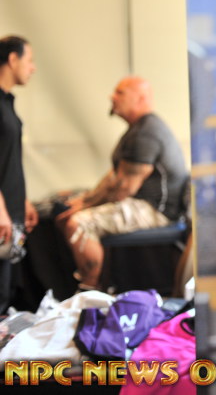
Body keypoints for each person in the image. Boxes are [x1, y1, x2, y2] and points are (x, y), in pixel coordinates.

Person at [57, 76, 189, 290]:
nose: (112, 97)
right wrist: (84, 200)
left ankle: (90, 291)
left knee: (79, 224)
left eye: (120, 92)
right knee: (68, 214)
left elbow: (125, 188)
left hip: (156, 210)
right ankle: (99, 285)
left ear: (140, 99)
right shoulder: (137, 129)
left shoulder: (147, 133)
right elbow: (114, 177)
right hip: (142, 204)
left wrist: (85, 207)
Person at [0, 36, 38, 313]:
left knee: (7, 290)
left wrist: (22, 201)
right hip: (1, 213)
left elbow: (7, 159)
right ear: (12, 59)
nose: (32, 67)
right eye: (29, 60)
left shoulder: (7, 101)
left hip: (10, 209)